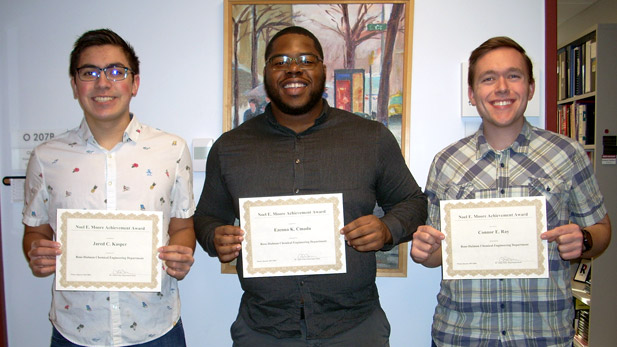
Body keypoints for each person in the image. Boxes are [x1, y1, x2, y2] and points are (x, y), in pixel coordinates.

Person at [194, 26, 427, 346]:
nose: (293, 68)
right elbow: (206, 216)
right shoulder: (230, 147)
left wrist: (387, 230)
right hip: (264, 328)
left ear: (322, 69)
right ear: (265, 72)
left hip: (354, 327)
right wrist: (214, 236)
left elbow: (413, 202)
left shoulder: (370, 138)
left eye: (306, 59)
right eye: (280, 61)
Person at [410, 36, 611, 346]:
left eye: (513, 76)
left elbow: (602, 230)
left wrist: (584, 239)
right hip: (462, 335)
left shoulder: (567, 154)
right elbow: (438, 253)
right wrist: (425, 251)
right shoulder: (446, 162)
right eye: (488, 79)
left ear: (530, 88)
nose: (501, 87)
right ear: (472, 94)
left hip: (543, 335)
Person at [22, 28, 196, 346]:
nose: (103, 83)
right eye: (90, 72)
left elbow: (183, 225)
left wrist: (182, 254)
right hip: (75, 332)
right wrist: (36, 252)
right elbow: (34, 232)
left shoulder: (172, 149)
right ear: (75, 85)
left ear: (135, 82)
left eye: (116, 71)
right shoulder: (46, 157)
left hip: (155, 329)